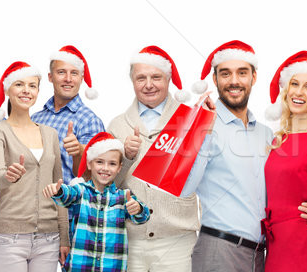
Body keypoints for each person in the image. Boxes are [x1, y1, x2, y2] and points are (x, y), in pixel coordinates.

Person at [183, 40, 307, 272]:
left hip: (261, 255)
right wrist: (204, 132)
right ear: (215, 79)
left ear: (254, 77)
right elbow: (185, 189)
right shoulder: (203, 126)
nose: (234, 81)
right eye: (225, 73)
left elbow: (283, 187)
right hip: (219, 250)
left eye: (242, 73)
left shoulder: (268, 135)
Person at [106, 45, 203, 272]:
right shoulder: (117, 125)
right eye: (141, 78)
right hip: (131, 239)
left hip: (178, 238)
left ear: (168, 79)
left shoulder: (190, 119)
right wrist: (127, 157)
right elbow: (107, 185)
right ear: (132, 81)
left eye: (156, 77)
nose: (148, 84)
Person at [0, 61, 70, 271]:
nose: (26, 90)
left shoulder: (50, 134)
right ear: (7, 89)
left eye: (32, 86)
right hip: (10, 237)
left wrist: (64, 237)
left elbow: (59, 188)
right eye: (19, 84)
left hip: (49, 238)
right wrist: (8, 175)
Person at [31, 45, 106, 264]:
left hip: (73, 219)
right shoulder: (36, 117)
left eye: (74, 73)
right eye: (61, 72)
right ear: (50, 77)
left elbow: (94, 179)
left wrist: (79, 153)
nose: (68, 79)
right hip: (37, 217)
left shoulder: (89, 120)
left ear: (81, 78)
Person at [263, 50, 307, 272]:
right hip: (273, 248)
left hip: (302, 251)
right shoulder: (278, 140)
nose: (299, 92)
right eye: (294, 84)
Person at [43, 132, 150, 272]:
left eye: (112, 164)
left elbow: (143, 216)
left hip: (112, 267)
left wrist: (138, 209)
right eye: (99, 162)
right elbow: (68, 195)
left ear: (119, 168)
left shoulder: (124, 197)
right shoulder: (81, 191)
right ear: (89, 164)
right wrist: (58, 191)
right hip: (79, 267)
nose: (105, 168)